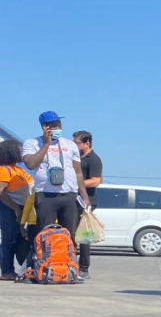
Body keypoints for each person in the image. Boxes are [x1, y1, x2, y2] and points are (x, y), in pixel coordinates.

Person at [21, 111, 92, 278]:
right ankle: (45, 269)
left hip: (69, 195)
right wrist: (46, 144)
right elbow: (30, 164)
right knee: (45, 234)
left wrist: (84, 196)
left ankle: (69, 270)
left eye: (59, 125)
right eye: (54, 126)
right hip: (45, 195)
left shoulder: (70, 145)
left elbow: (78, 172)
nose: (58, 128)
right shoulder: (32, 143)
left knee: (70, 235)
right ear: (45, 127)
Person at [0, 140, 33, 280]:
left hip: (23, 208)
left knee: (21, 239)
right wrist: (15, 209)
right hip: (10, 208)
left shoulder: (17, 169)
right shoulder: (4, 169)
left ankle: (25, 268)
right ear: (11, 151)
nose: (22, 152)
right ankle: (7, 271)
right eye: (20, 150)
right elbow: (1, 193)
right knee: (9, 240)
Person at [72, 131, 103, 278]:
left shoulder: (93, 159)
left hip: (86, 202)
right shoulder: (76, 158)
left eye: (77, 143)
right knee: (71, 233)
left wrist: (77, 183)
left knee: (84, 235)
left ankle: (84, 267)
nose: (74, 146)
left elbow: (96, 181)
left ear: (87, 143)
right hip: (73, 200)